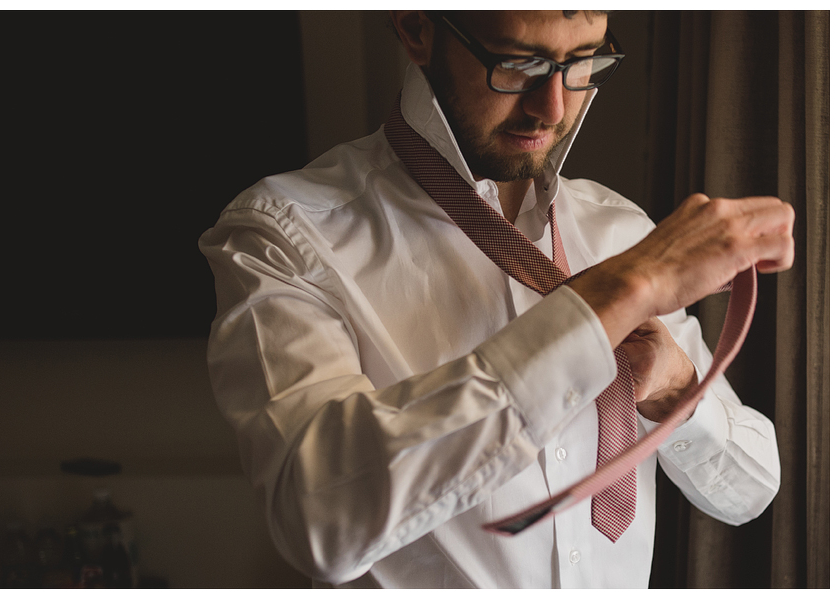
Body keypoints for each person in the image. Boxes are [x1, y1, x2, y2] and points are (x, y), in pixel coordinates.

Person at [199, 10, 794, 588]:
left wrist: (678, 393)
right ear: (416, 29)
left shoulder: (620, 230)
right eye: (517, 64)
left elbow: (750, 489)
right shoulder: (285, 235)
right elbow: (320, 523)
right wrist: (613, 298)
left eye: (584, 61)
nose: (554, 107)